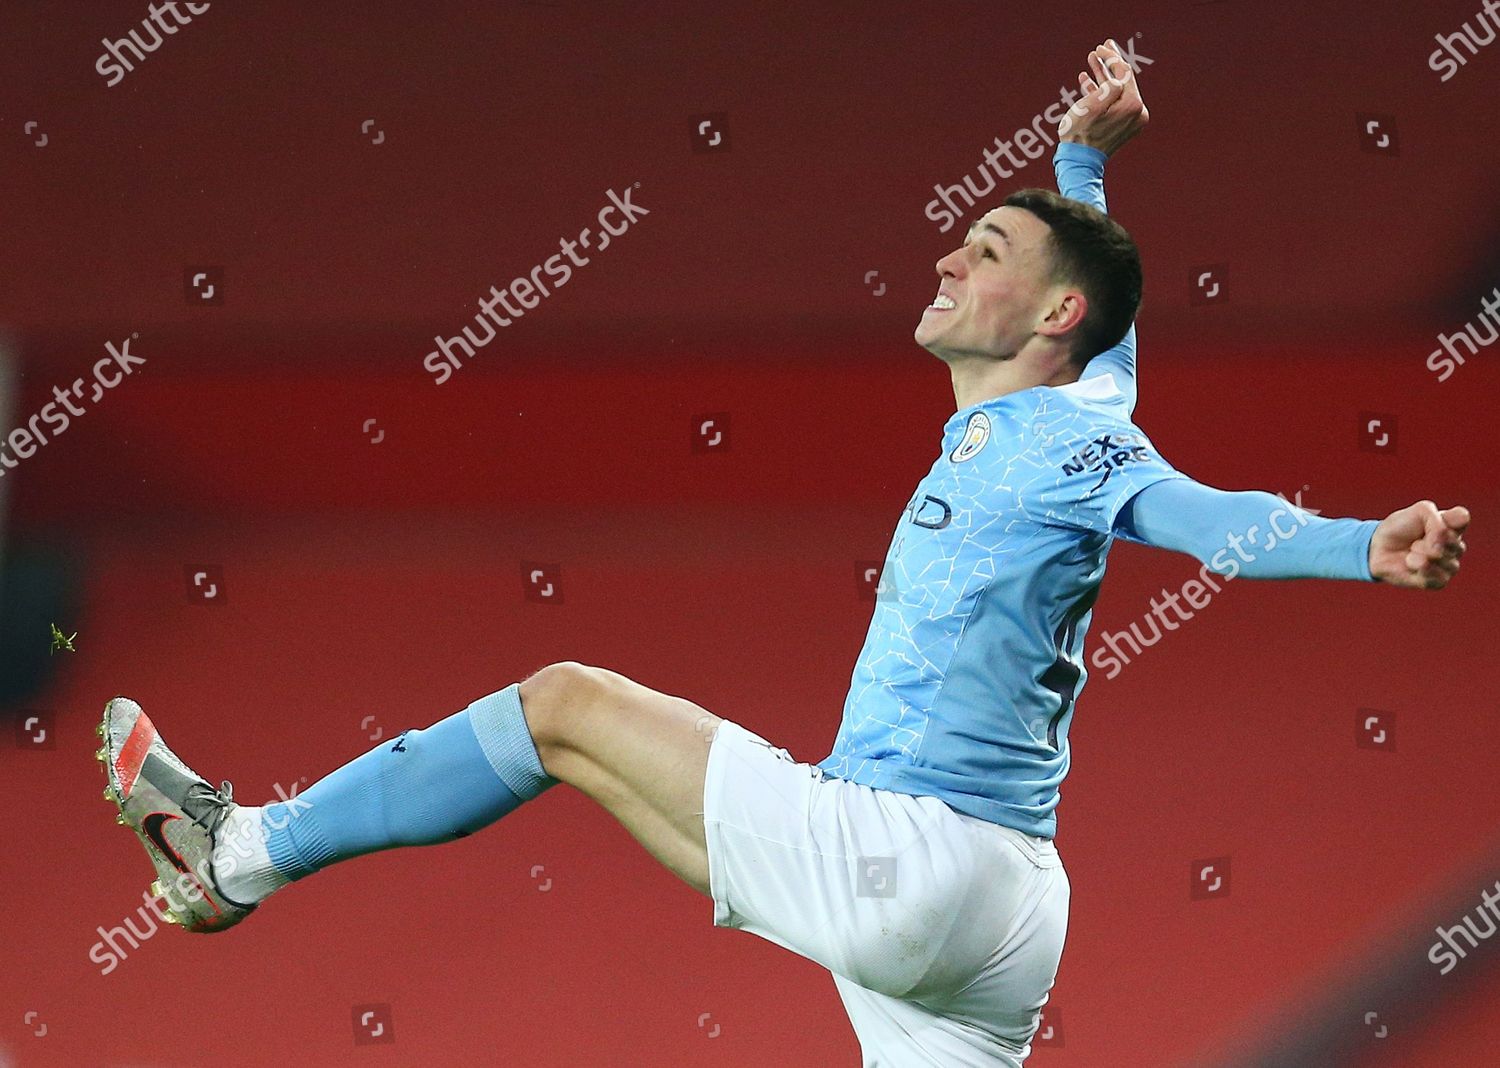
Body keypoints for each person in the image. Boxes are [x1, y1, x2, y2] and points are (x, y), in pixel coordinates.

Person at [97, 40, 1468, 1067]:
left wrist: (1364, 546)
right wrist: (1084, 165)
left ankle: (243, 852)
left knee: (566, 705)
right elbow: (1102, 329)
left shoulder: (1070, 449)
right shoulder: (1079, 401)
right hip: (1003, 910)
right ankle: (237, 862)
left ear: (1045, 310)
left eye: (982, 248)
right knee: (575, 757)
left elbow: (1205, 512)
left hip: (912, 861)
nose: (946, 255)